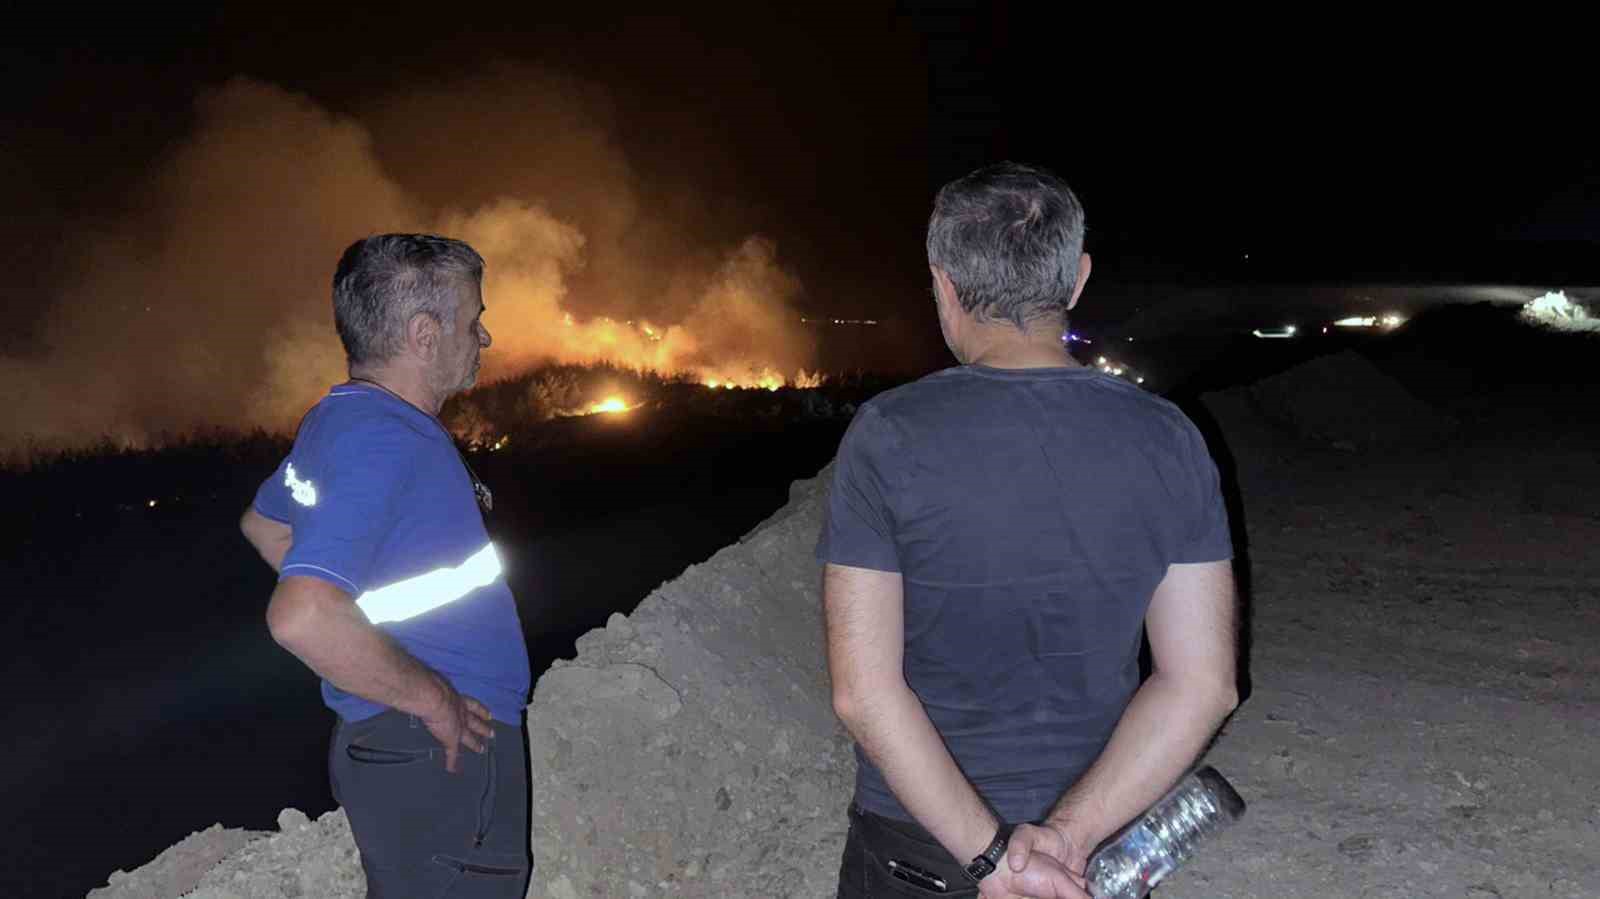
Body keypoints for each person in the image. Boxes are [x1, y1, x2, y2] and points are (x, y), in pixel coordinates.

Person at [818, 163, 1240, 899]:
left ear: (943, 284)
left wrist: (994, 859)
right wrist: (1066, 840)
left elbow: (864, 692)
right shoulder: (1168, 438)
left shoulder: (888, 434)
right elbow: (1203, 682)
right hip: (1090, 859)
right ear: (1076, 280)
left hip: (920, 851)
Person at [240, 233, 532, 896]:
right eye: (474, 320)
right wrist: (431, 696)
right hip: (440, 748)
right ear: (425, 334)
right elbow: (302, 614)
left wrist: (370, 630)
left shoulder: (340, 420)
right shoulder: (383, 438)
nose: (482, 338)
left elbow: (265, 525)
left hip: (402, 745)